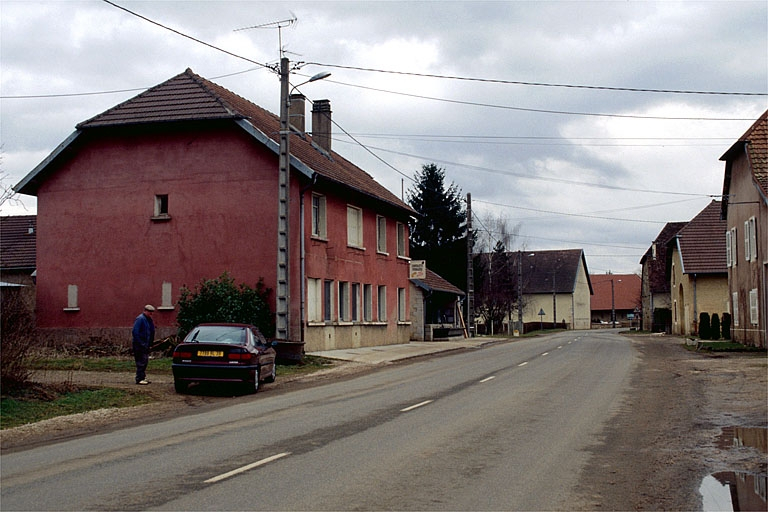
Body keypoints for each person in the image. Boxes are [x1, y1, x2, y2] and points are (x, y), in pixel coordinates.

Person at [132, 304, 156, 385]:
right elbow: (135, 332)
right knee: (141, 361)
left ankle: (142, 377)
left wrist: (150, 343)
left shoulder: (149, 319)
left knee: (144, 361)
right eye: (150, 312)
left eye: (152, 312)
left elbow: (151, 331)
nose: (151, 314)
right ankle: (139, 378)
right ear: (145, 311)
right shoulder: (140, 319)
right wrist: (141, 343)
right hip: (139, 345)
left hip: (145, 344)